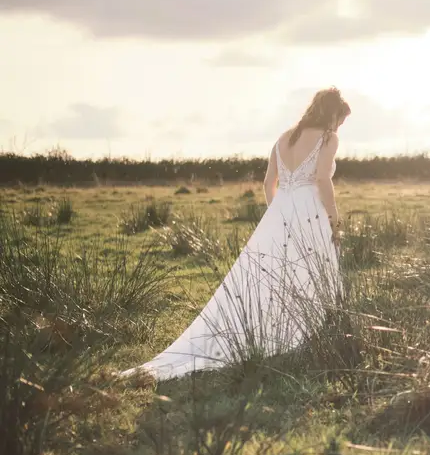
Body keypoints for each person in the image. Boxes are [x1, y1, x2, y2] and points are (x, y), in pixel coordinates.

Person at [122, 88, 351, 381]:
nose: (339, 126)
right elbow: (322, 179)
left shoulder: (285, 138)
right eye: (340, 119)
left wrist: (277, 214)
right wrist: (334, 219)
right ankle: (308, 333)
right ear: (332, 113)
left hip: (279, 212)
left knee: (269, 275)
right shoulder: (328, 138)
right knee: (312, 270)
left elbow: (268, 182)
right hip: (310, 210)